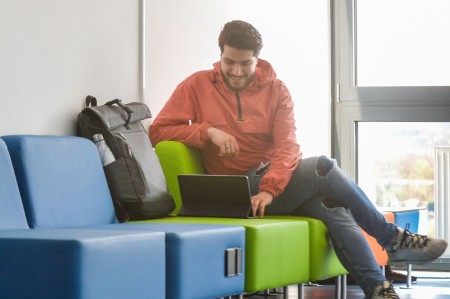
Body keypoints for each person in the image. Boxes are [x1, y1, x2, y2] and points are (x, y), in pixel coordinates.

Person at [149, 20, 448, 299]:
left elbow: (288, 147)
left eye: (245, 63)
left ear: (258, 58)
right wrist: (207, 132)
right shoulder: (198, 85)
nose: (237, 71)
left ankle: (380, 289)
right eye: (229, 62)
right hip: (233, 192)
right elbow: (159, 131)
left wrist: (270, 188)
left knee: (333, 207)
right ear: (220, 55)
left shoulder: (277, 91)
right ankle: (392, 239)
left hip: (268, 189)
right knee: (322, 167)